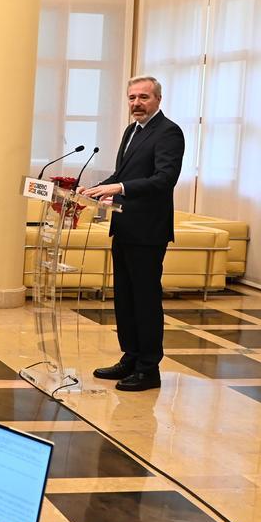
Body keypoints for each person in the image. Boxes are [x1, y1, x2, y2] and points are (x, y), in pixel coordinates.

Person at [82, 75, 184, 392]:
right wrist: (97, 189)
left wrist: (120, 187)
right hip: (123, 226)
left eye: (143, 97)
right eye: (131, 98)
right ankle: (130, 357)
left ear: (157, 100)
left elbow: (164, 179)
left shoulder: (169, 132)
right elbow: (123, 174)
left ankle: (148, 367)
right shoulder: (131, 130)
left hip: (148, 231)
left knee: (145, 300)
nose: (136, 104)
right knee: (125, 299)